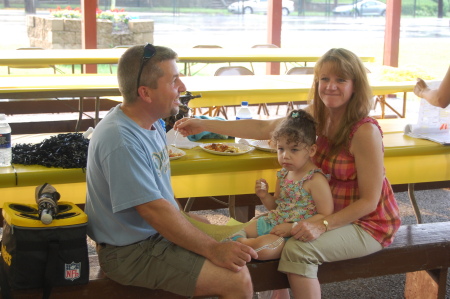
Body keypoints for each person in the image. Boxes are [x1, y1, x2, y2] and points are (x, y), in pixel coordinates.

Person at [175, 48, 401, 299]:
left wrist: (322, 225)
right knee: (273, 233)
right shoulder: (316, 116)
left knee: (297, 248)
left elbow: (369, 202)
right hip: (323, 214)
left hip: (367, 224)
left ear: (355, 85)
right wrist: (205, 123)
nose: (330, 86)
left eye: (340, 79)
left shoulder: (364, 132)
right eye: (324, 79)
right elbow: (265, 127)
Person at [85, 44, 258, 299]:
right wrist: (212, 249)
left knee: (243, 239)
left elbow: (160, 197)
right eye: (174, 80)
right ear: (145, 93)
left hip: (150, 236)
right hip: (129, 252)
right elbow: (154, 210)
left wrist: (186, 220)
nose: (183, 87)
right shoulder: (121, 140)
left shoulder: (149, 121)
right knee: (236, 279)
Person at [230, 109, 333, 262]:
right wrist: (264, 196)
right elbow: (276, 206)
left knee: (264, 249)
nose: (285, 155)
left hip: (294, 233)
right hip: (273, 222)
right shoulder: (284, 173)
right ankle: (242, 244)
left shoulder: (315, 179)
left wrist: (292, 227)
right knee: (233, 230)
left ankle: (241, 245)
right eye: (281, 149)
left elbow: (325, 215)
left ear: (311, 150)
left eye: (294, 149)